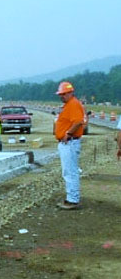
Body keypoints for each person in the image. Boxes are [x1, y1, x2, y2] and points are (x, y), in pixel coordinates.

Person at [54, 81, 85, 209]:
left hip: (70, 143)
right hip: (68, 143)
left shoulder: (73, 104)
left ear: (71, 93)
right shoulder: (69, 105)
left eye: (64, 94)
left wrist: (68, 133)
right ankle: (72, 197)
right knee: (69, 171)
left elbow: (78, 121)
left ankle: (72, 199)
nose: (62, 96)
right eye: (61, 94)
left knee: (70, 172)